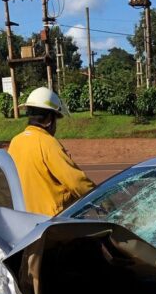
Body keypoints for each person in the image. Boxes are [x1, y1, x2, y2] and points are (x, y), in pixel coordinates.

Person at [8, 87, 95, 216]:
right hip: (51, 223)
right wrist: (101, 197)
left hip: (24, 219)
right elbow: (76, 182)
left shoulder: (15, 142)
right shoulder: (47, 143)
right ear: (49, 119)